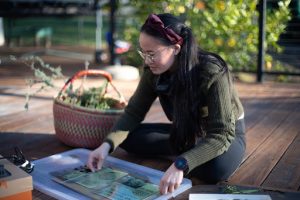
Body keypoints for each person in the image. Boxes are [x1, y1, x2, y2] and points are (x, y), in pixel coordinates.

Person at [87, 13, 246, 195]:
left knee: (216, 169)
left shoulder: (212, 71)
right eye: (143, 53)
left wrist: (181, 164)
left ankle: (189, 154)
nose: (147, 61)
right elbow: (134, 112)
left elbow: (221, 134)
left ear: (176, 48)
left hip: (225, 134)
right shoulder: (153, 71)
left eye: (152, 54)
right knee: (127, 138)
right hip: (187, 132)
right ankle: (190, 151)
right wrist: (105, 147)